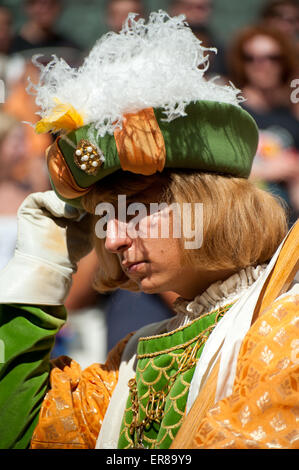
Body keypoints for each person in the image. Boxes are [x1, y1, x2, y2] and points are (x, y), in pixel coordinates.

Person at [0, 11, 298, 450]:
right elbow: (15, 431)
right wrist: (38, 263)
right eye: (104, 218)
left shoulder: (284, 323)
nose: (114, 239)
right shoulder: (132, 357)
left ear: (205, 204)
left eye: (135, 210)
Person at [227, 24, 299, 226]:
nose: (262, 64)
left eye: (272, 57)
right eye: (252, 58)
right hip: (240, 223)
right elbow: (212, 174)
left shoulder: (291, 121)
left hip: (285, 226)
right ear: (242, 63)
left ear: (284, 62)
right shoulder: (229, 113)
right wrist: (266, 170)